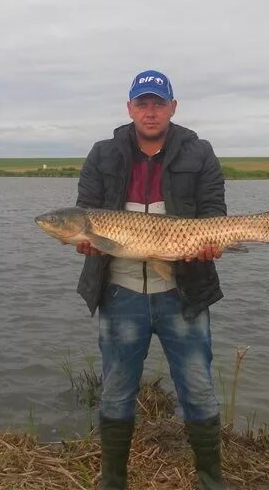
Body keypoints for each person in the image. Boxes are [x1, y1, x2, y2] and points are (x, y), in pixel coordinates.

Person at [74, 70, 228, 490]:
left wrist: (210, 241)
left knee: (197, 388)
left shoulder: (199, 152)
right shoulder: (103, 153)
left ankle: (211, 480)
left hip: (184, 291)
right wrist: (87, 243)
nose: (150, 111)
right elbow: (85, 207)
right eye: (142, 103)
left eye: (159, 103)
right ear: (129, 108)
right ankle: (112, 481)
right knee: (117, 390)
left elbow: (214, 210)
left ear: (173, 108)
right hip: (120, 292)